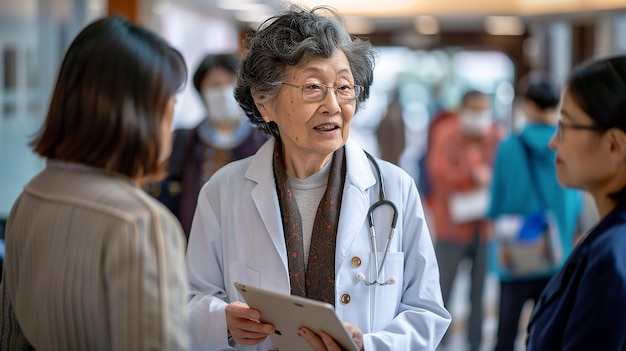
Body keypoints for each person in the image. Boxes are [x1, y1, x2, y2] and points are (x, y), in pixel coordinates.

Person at [186, 5, 451, 351]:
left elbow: (427, 311)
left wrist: (369, 346)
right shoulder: (223, 191)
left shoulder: (395, 188)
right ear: (264, 101)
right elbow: (192, 299)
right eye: (313, 87)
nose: (333, 105)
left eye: (343, 87)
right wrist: (222, 321)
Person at [0, 17, 189, 350]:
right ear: (142, 114)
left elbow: (12, 337)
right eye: (171, 102)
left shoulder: (29, 198)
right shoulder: (141, 223)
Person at [526, 55, 626, 349]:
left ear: (614, 145)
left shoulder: (612, 258)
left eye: (565, 126)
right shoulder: (608, 238)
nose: (553, 142)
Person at [487, 77, 583, 351]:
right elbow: (575, 203)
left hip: (514, 257)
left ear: (528, 106)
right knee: (550, 333)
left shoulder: (508, 147)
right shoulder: (567, 145)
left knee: (505, 334)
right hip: (556, 255)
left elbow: (494, 205)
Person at [146, 53, 267, 238]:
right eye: (215, 85)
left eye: (231, 82)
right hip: (193, 240)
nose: (224, 91)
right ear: (202, 91)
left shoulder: (265, 141)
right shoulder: (182, 141)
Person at [426, 90, 504, 351]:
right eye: (474, 110)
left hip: (484, 229)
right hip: (451, 227)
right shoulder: (445, 133)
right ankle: (439, 339)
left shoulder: (496, 136)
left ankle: (476, 342)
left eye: (484, 110)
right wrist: (473, 174)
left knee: (479, 292)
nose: (479, 116)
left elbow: (502, 174)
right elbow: (439, 171)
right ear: (462, 110)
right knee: (442, 288)